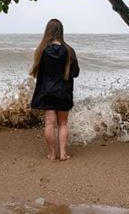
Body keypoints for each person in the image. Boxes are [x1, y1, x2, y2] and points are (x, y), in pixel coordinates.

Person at [30, 19, 80, 161]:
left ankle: (52, 154)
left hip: (47, 91)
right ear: (61, 31)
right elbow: (75, 73)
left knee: (49, 123)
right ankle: (63, 154)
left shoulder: (42, 50)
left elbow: (36, 71)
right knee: (63, 123)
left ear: (48, 31)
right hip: (63, 91)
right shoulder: (69, 51)